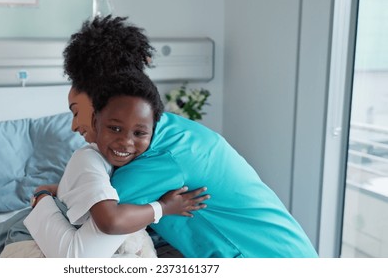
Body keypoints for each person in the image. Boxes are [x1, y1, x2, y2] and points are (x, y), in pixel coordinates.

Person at [50, 15, 318, 258]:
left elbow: (92, 222)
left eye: (76, 110)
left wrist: (43, 199)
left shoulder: (159, 157)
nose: (74, 125)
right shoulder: (168, 131)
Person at [21, 70, 209, 258]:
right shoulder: (88, 158)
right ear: (97, 121)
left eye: (139, 133)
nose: (126, 141)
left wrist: (53, 189)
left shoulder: (131, 162)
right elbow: (107, 224)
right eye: (115, 128)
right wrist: (164, 207)